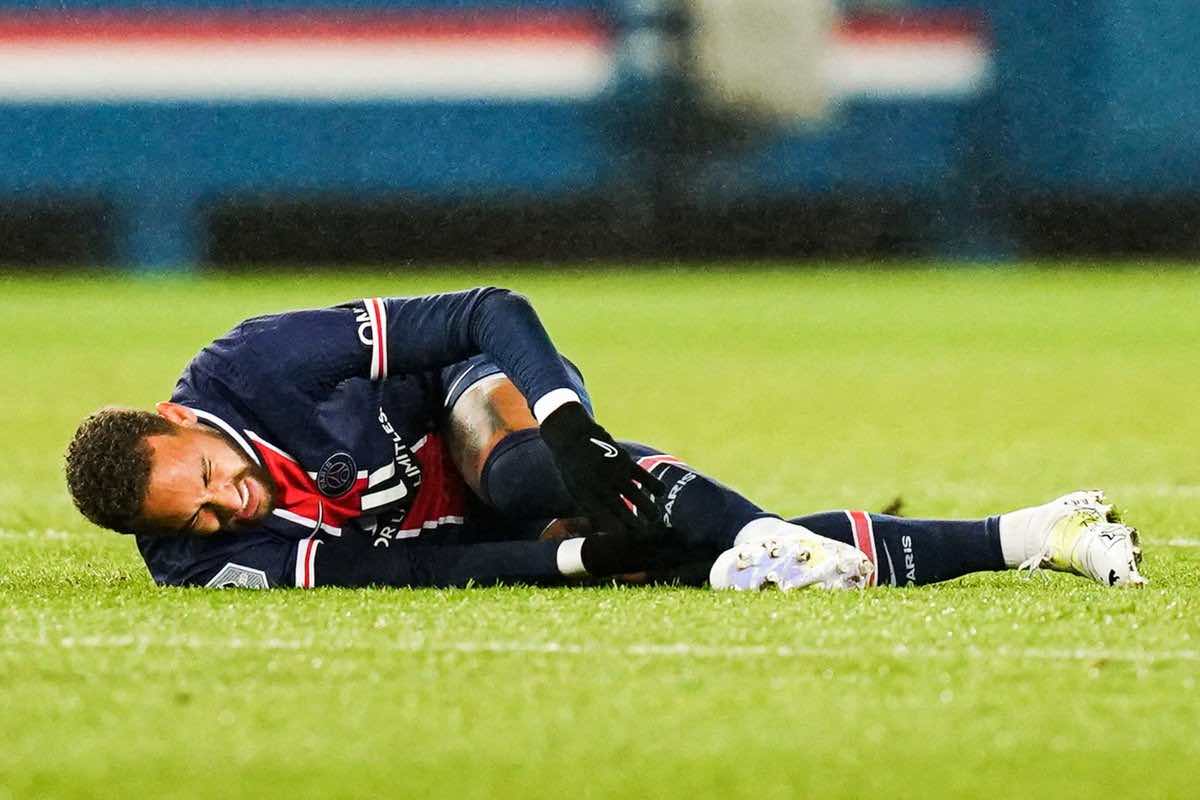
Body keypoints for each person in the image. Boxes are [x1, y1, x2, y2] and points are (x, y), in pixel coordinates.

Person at [63, 288, 1147, 590]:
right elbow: (408, 576)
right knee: (691, 562)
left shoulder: (254, 365)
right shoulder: (205, 561)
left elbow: (485, 311)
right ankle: (1032, 535)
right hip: (457, 529)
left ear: (180, 421)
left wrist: (569, 423)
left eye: (207, 478)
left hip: (478, 406)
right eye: (197, 518)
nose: (227, 508)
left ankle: (730, 525)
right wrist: (578, 557)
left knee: (525, 469)